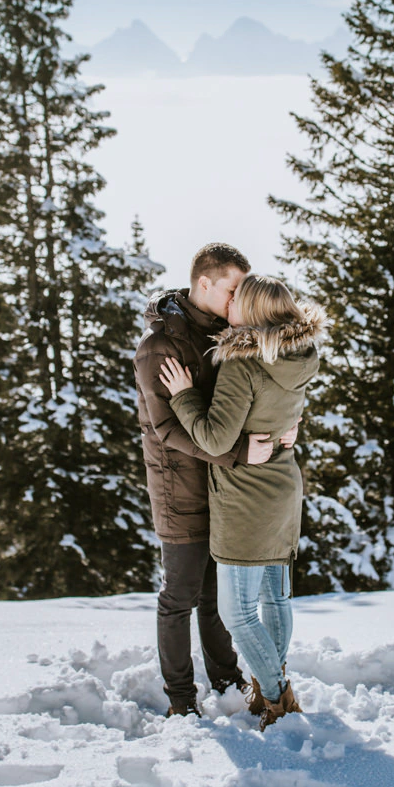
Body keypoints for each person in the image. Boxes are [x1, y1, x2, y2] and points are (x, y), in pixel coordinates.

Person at [134, 243, 296, 718]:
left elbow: (258, 393)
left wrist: (288, 422)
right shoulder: (159, 348)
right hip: (180, 486)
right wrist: (239, 452)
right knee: (180, 595)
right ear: (203, 283)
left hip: (228, 489)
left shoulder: (230, 332)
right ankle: (182, 701)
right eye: (231, 288)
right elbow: (165, 429)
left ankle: (227, 682)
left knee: (216, 597)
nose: (237, 299)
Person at [159, 274, 325, 729]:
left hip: (246, 497)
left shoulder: (243, 363)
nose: (228, 304)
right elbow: (281, 414)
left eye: (237, 299)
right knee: (275, 599)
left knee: (236, 612)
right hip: (284, 488)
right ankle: (276, 684)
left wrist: (183, 396)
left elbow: (215, 438)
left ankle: (275, 695)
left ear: (249, 313)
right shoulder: (300, 355)